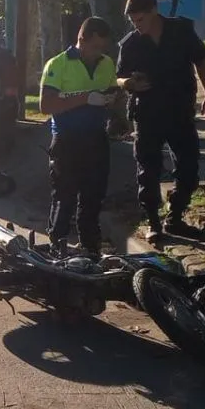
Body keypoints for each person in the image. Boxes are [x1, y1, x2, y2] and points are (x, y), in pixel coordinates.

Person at [116, 0, 205, 244]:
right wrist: (129, 83)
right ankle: (153, 222)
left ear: (154, 10)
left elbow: (201, 61)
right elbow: (118, 77)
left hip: (179, 109)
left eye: (140, 19)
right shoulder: (131, 43)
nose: (137, 26)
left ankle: (176, 217)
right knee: (148, 169)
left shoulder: (181, 30)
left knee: (189, 166)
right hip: (146, 112)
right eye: (133, 21)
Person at [39, 16, 118, 255]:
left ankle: (90, 246)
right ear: (81, 40)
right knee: (64, 196)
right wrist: (85, 98)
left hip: (96, 138)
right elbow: (46, 105)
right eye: (95, 47)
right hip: (67, 139)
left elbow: (112, 90)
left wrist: (114, 104)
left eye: (103, 47)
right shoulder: (58, 64)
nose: (98, 53)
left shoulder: (106, 63)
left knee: (93, 195)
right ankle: (57, 244)